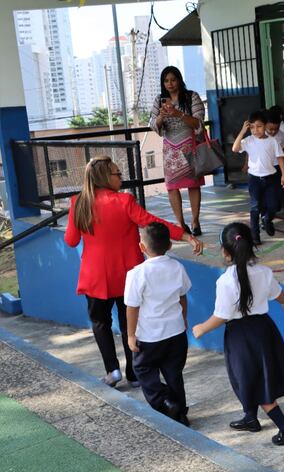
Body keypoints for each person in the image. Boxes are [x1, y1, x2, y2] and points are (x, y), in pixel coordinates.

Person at [64, 157, 203, 387]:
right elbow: (151, 222)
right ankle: (134, 371)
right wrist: (184, 235)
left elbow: (70, 241)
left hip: (96, 276)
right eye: (118, 174)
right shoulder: (124, 201)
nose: (121, 178)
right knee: (131, 321)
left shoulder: (78, 203)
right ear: (105, 177)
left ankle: (112, 371)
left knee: (100, 323)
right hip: (127, 273)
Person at [192, 222, 284, 445]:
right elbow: (278, 295)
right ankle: (250, 418)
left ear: (225, 251)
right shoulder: (263, 272)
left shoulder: (225, 281)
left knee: (254, 382)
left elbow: (222, 315)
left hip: (241, 336)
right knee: (251, 377)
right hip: (264, 329)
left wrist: (201, 327)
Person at [125, 222, 191, 426]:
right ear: (170, 245)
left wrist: (130, 335)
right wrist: (184, 318)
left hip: (150, 336)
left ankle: (165, 401)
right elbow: (183, 297)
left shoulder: (137, 273)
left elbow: (132, 307)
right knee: (174, 373)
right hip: (176, 332)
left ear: (142, 247)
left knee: (142, 368)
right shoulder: (177, 267)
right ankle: (181, 414)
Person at [149, 66, 206, 236]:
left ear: (180, 80)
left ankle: (195, 221)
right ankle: (180, 223)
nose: (170, 84)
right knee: (172, 187)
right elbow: (152, 124)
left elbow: (199, 123)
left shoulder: (191, 97)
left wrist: (177, 113)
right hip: (170, 149)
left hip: (190, 145)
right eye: (166, 81)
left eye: (173, 80)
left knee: (193, 185)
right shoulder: (159, 99)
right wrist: (161, 116)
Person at [233, 110, 284, 245]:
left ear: (265, 126)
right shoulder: (248, 140)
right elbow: (235, 148)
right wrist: (242, 131)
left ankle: (267, 219)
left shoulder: (272, 141)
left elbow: (280, 158)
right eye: (252, 127)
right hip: (254, 179)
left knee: (273, 205)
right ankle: (255, 236)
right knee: (255, 208)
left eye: (259, 126)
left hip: (271, 178)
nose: (255, 130)